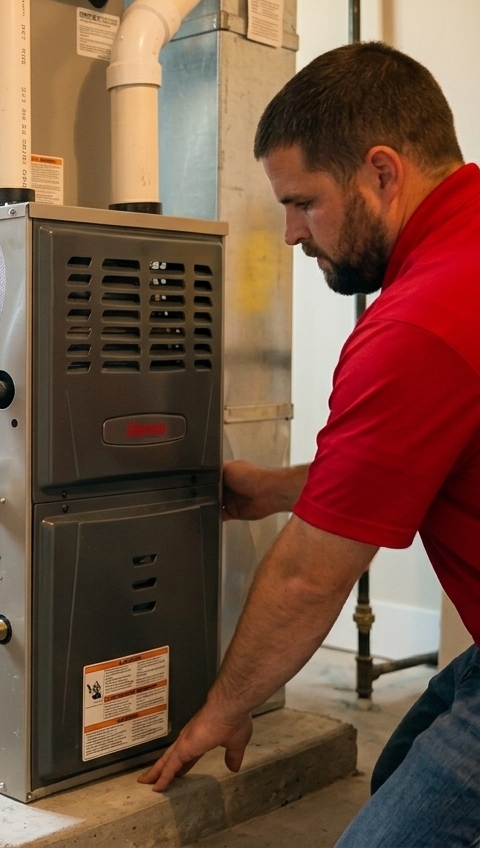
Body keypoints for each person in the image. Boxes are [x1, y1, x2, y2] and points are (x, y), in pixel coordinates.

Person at [139, 43, 480, 846]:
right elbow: (414, 462)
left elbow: (306, 576)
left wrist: (224, 708)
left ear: (382, 173)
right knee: (400, 766)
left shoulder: (419, 322)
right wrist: (271, 489)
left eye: (304, 202)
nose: (292, 232)